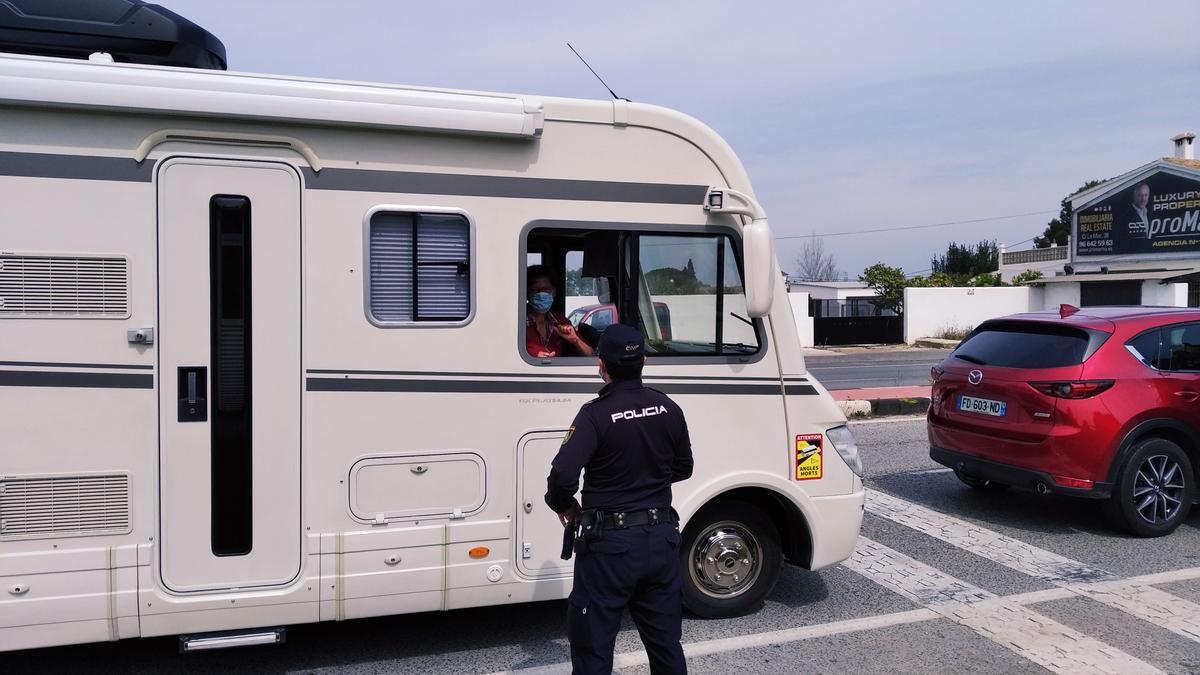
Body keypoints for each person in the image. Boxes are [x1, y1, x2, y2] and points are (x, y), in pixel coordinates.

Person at [545, 324, 693, 675]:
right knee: (666, 646)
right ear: (642, 360)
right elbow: (684, 467)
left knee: (593, 649)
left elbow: (562, 476)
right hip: (660, 540)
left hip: (610, 547)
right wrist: (645, 481)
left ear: (602, 364)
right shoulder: (667, 407)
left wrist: (565, 506)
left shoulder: (595, 414)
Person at [526, 265, 595, 358]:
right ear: (527, 293)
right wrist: (532, 358)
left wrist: (575, 340)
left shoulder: (560, 320)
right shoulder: (518, 321)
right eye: (535, 290)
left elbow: (591, 355)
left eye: (545, 289)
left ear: (554, 292)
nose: (540, 294)